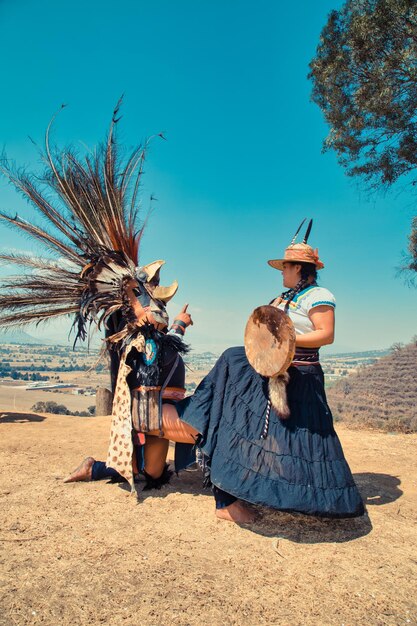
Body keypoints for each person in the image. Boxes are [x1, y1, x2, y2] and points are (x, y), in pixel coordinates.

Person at [158, 219, 364, 523]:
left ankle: (301, 496)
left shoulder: (317, 296)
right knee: (232, 364)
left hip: (300, 375)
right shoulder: (282, 298)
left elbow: (325, 334)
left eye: (285, 267)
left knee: (301, 443)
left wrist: (284, 342)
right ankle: (207, 433)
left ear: (298, 268)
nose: (281, 272)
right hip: (269, 370)